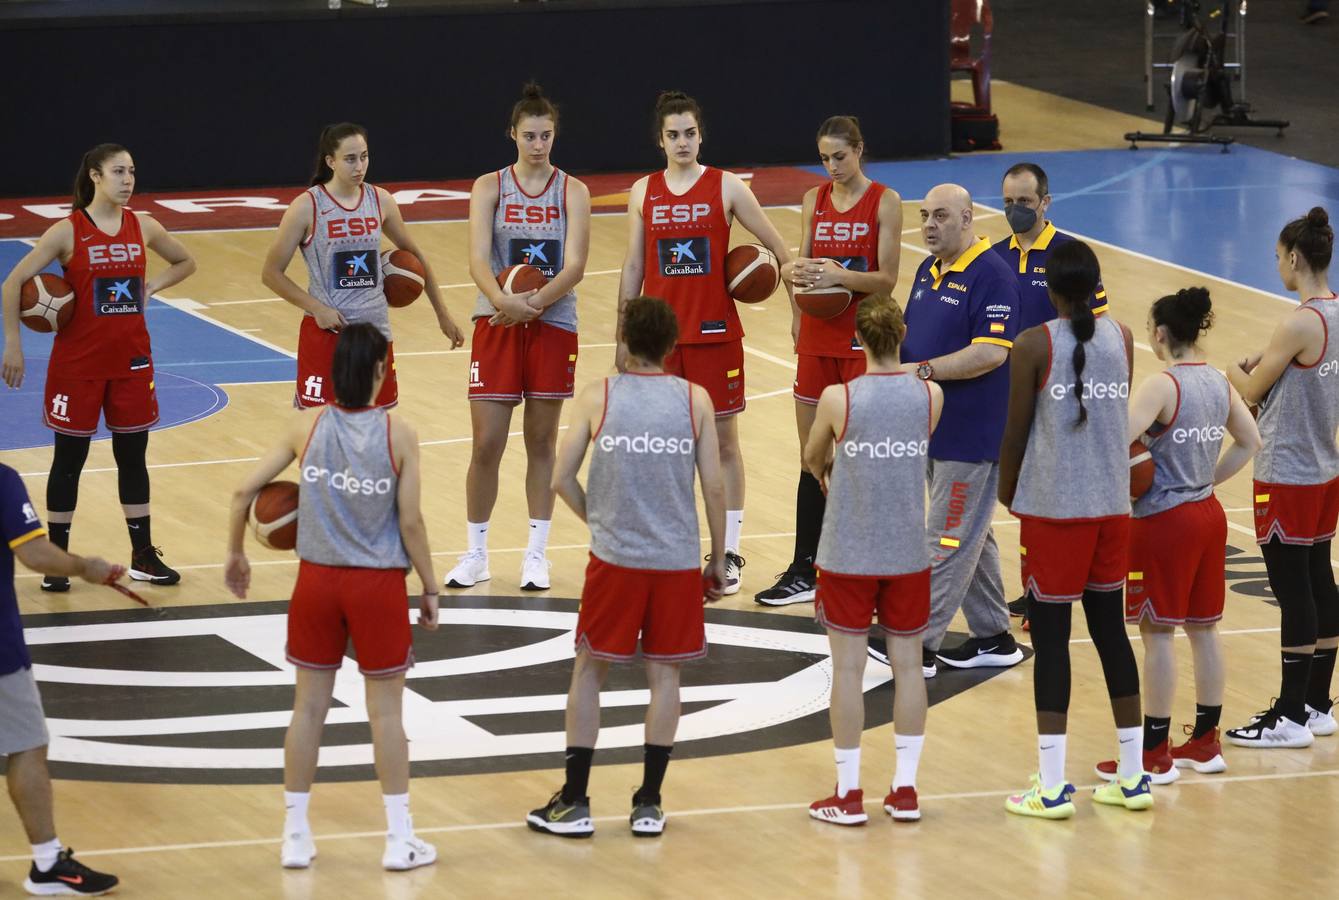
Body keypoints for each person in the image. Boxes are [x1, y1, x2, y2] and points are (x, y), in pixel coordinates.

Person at [225, 323, 441, 871]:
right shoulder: (400, 434)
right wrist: (431, 584)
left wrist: (236, 553)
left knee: (308, 709)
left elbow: (242, 491)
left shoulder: (305, 427)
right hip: (376, 584)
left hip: (317, 581)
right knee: (386, 714)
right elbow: (410, 522)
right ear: (379, 371)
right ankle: (398, 839)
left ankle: (295, 835)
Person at [528, 296, 725, 839]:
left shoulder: (600, 396)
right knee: (666, 677)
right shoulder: (696, 401)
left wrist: (599, 520)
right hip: (676, 561)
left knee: (590, 671)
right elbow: (713, 485)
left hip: (615, 559)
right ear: (671, 345)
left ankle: (574, 800)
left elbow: (560, 478)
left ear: (625, 343)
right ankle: (649, 802)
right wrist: (718, 557)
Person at [616, 91, 794, 596]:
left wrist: (799, 308)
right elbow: (633, 265)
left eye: (690, 133)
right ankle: (667, 546)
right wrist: (622, 331)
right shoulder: (642, 191)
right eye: (673, 134)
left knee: (725, 445)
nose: (682, 142)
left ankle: (728, 551)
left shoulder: (727, 188)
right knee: (665, 447)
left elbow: (777, 249)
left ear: (701, 135)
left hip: (717, 337)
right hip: (659, 342)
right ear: (660, 139)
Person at [998, 239, 1150, 819]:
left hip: (1056, 510)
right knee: (1112, 636)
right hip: (1112, 508)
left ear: (1051, 290)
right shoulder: (1126, 339)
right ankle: (1133, 776)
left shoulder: (1034, 344)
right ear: (1095, 285)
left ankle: (1053, 786)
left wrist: (1009, 492)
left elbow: (1015, 434)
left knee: (1053, 642)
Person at [1, 143, 196, 591]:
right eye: (118, 172)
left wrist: (153, 285)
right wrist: (13, 344)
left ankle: (143, 555)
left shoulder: (143, 225)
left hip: (132, 362)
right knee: (69, 461)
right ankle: (56, 559)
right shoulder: (67, 231)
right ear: (94, 175)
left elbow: (186, 261)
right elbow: (13, 283)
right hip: (78, 365)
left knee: (134, 458)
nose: (128, 180)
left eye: (132, 172)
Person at [1091, 288, 1259, 785]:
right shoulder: (1218, 383)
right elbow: (1251, 440)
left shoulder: (1161, 386)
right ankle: (1206, 742)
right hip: (1208, 514)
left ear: (1160, 334)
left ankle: (1155, 752)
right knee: (1204, 629)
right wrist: (1208, 479)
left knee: (1157, 633)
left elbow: (1111, 440)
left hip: (1164, 521)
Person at [868, 184, 1023, 677]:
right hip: (931, 425)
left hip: (971, 432)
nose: (929, 225)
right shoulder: (927, 268)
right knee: (970, 534)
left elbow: (992, 352)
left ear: (967, 217)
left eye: (939, 216)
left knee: (946, 537)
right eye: (923, 216)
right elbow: (913, 339)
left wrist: (923, 372)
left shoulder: (993, 276)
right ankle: (994, 634)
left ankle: (917, 642)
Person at [445, 83, 591, 593]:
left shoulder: (572, 189)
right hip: (499, 321)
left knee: (541, 443)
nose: (538, 144)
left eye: (546, 135)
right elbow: (477, 260)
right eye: (529, 135)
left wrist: (535, 302)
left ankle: (536, 553)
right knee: (486, 443)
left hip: (551, 320)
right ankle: (476, 552)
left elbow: (575, 265)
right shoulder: (490, 186)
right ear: (512, 134)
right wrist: (503, 301)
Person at [803, 293, 942, 826]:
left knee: (848, 670)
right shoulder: (931, 396)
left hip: (850, 551)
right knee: (909, 668)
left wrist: (834, 464)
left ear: (857, 339)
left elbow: (813, 457)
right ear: (902, 336)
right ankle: (905, 790)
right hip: (907, 550)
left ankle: (848, 791)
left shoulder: (839, 398)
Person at [757, 116, 902, 608]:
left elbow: (885, 280)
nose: (832, 166)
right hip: (816, 340)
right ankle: (806, 567)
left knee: (860, 457)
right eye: (824, 158)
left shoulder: (884, 200)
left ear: (859, 150)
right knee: (812, 457)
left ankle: (866, 564)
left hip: (861, 341)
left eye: (840, 156)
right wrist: (793, 278)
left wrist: (842, 276)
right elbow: (800, 264)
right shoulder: (811, 201)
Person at [1225, 206, 1338, 748]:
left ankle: (1289, 715)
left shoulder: (1297, 321)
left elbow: (1247, 392)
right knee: (1320, 580)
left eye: (1277, 257)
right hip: (1323, 465)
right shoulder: (1335, 314)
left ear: (1295, 257)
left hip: (1287, 469)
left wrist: (1232, 368)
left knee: (1294, 592)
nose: (1277, 266)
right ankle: (1317, 704)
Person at [261, 122, 464, 411]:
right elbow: (271, 273)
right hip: (328, 334)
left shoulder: (380, 200)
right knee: (317, 435)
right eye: (350, 159)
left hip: (375, 333)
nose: (360, 166)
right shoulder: (307, 206)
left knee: (377, 437)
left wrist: (442, 314)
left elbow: (416, 256)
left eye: (364, 156)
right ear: (330, 161)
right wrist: (317, 308)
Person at [992, 162, 1110, 627]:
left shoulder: (1070, 256)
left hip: (1062, 393)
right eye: (1007, 202)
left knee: (1058, 498)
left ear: (1046, 201)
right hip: (1012, 395)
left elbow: (1095, 328)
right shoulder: (994, 255)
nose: (1015, 210)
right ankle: (1035, 588)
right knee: (1027, 497)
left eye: (1024, 201)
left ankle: (1064, 585)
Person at [2, 463, 122, 895]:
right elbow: (35, 554)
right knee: (26, 745)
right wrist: (84, 567)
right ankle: (48, 863)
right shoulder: (1, 480)